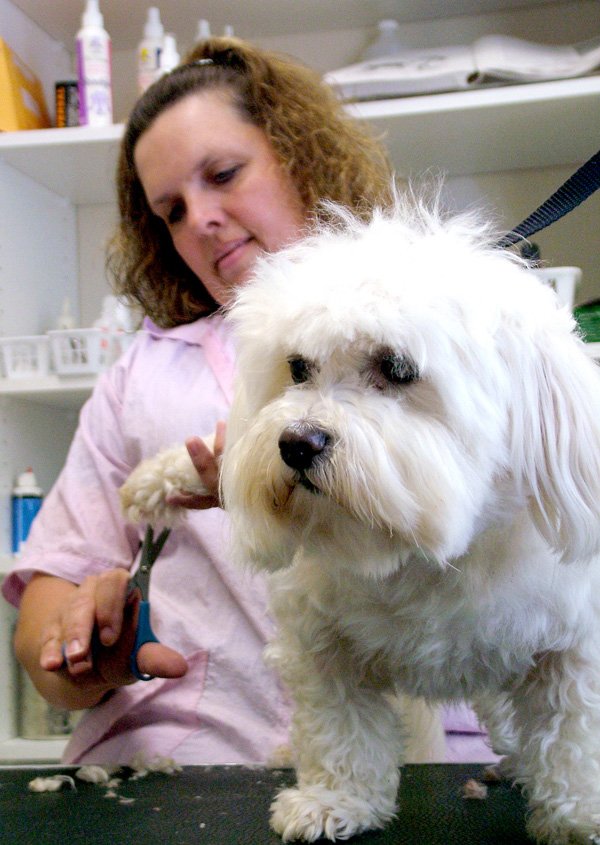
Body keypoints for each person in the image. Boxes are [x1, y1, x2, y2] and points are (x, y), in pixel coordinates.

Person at [1, 36, 493, 766]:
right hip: (190, 756)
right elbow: (48, 605)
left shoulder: (452, 325)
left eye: (223, 174)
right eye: (170, 210)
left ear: (297, 151)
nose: (199, 218)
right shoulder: (143, 374)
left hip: (430, 760)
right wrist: (78, 649)